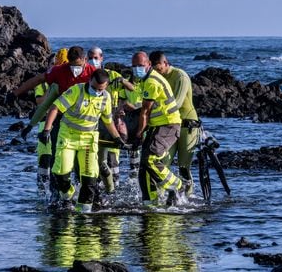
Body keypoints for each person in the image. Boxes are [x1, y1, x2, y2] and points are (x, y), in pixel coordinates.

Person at [40, 69, 126, 212]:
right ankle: (68, 194)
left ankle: (84, 212)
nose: (97, 91)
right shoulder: (76, 91)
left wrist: (117, 138)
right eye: (94, 88)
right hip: (68, 136)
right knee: (61, 171)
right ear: (90, 80)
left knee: (90, 177)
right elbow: (55, 108)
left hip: (88, 139)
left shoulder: (106, 97)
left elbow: (108, 120)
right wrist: (47, 130)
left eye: (101, 89)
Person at [132, 51, 184, 207]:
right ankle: (150, 202)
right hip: (157, 125)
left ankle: (176, 185)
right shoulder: (143, 79)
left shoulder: (152, 82)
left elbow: (145, 112)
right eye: (134, 66)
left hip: (169, 124)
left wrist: (139, 134)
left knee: (150, 159)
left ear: (148, 64)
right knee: (144, 167)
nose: (136, 69)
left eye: (140, 66)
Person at [149, 51, 200, 197]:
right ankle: (164, 194)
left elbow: (176, 103)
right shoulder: (155, 78)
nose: (156, 72)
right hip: (168, 125)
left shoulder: (180, 76)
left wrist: (151, 113)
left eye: (158, 68)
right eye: (153, 69)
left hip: (187, 125)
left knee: (184, 166)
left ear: (165, 63)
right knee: (162, 163)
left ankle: (188, 196)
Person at [87, 46, 134, 193]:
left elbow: (132, 88)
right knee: (96, 155)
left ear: (102, 58)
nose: (93, 60)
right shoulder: (86, 74)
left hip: (112, 118)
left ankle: (114, 187)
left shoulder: (112, 74)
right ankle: (98, 185)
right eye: (90, 57)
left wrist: (122, 80)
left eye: (96, 57)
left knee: (113, 155)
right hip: (93, 118)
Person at [34, 48, 68, 191]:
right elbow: (40, 102)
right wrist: (51, 90)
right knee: (45, 158)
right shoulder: (42, 83)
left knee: (60, 158)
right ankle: (42, 190)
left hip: (64, 124)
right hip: (45, 123)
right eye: (52, 64)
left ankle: (59, 189)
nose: (55, 67)